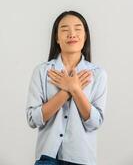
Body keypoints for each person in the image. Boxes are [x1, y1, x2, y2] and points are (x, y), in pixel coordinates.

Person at [26, 10, 107, 165]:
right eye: (64, 30)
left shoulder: (98, 74)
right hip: (46, 158)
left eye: (77, 29)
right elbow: (32, 119)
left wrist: (76, 90)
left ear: (85, 36)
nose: (72, 34)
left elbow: (95, 123)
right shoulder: (43, 72)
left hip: (82, 158)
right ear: (57, 37)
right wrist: (66, 91)